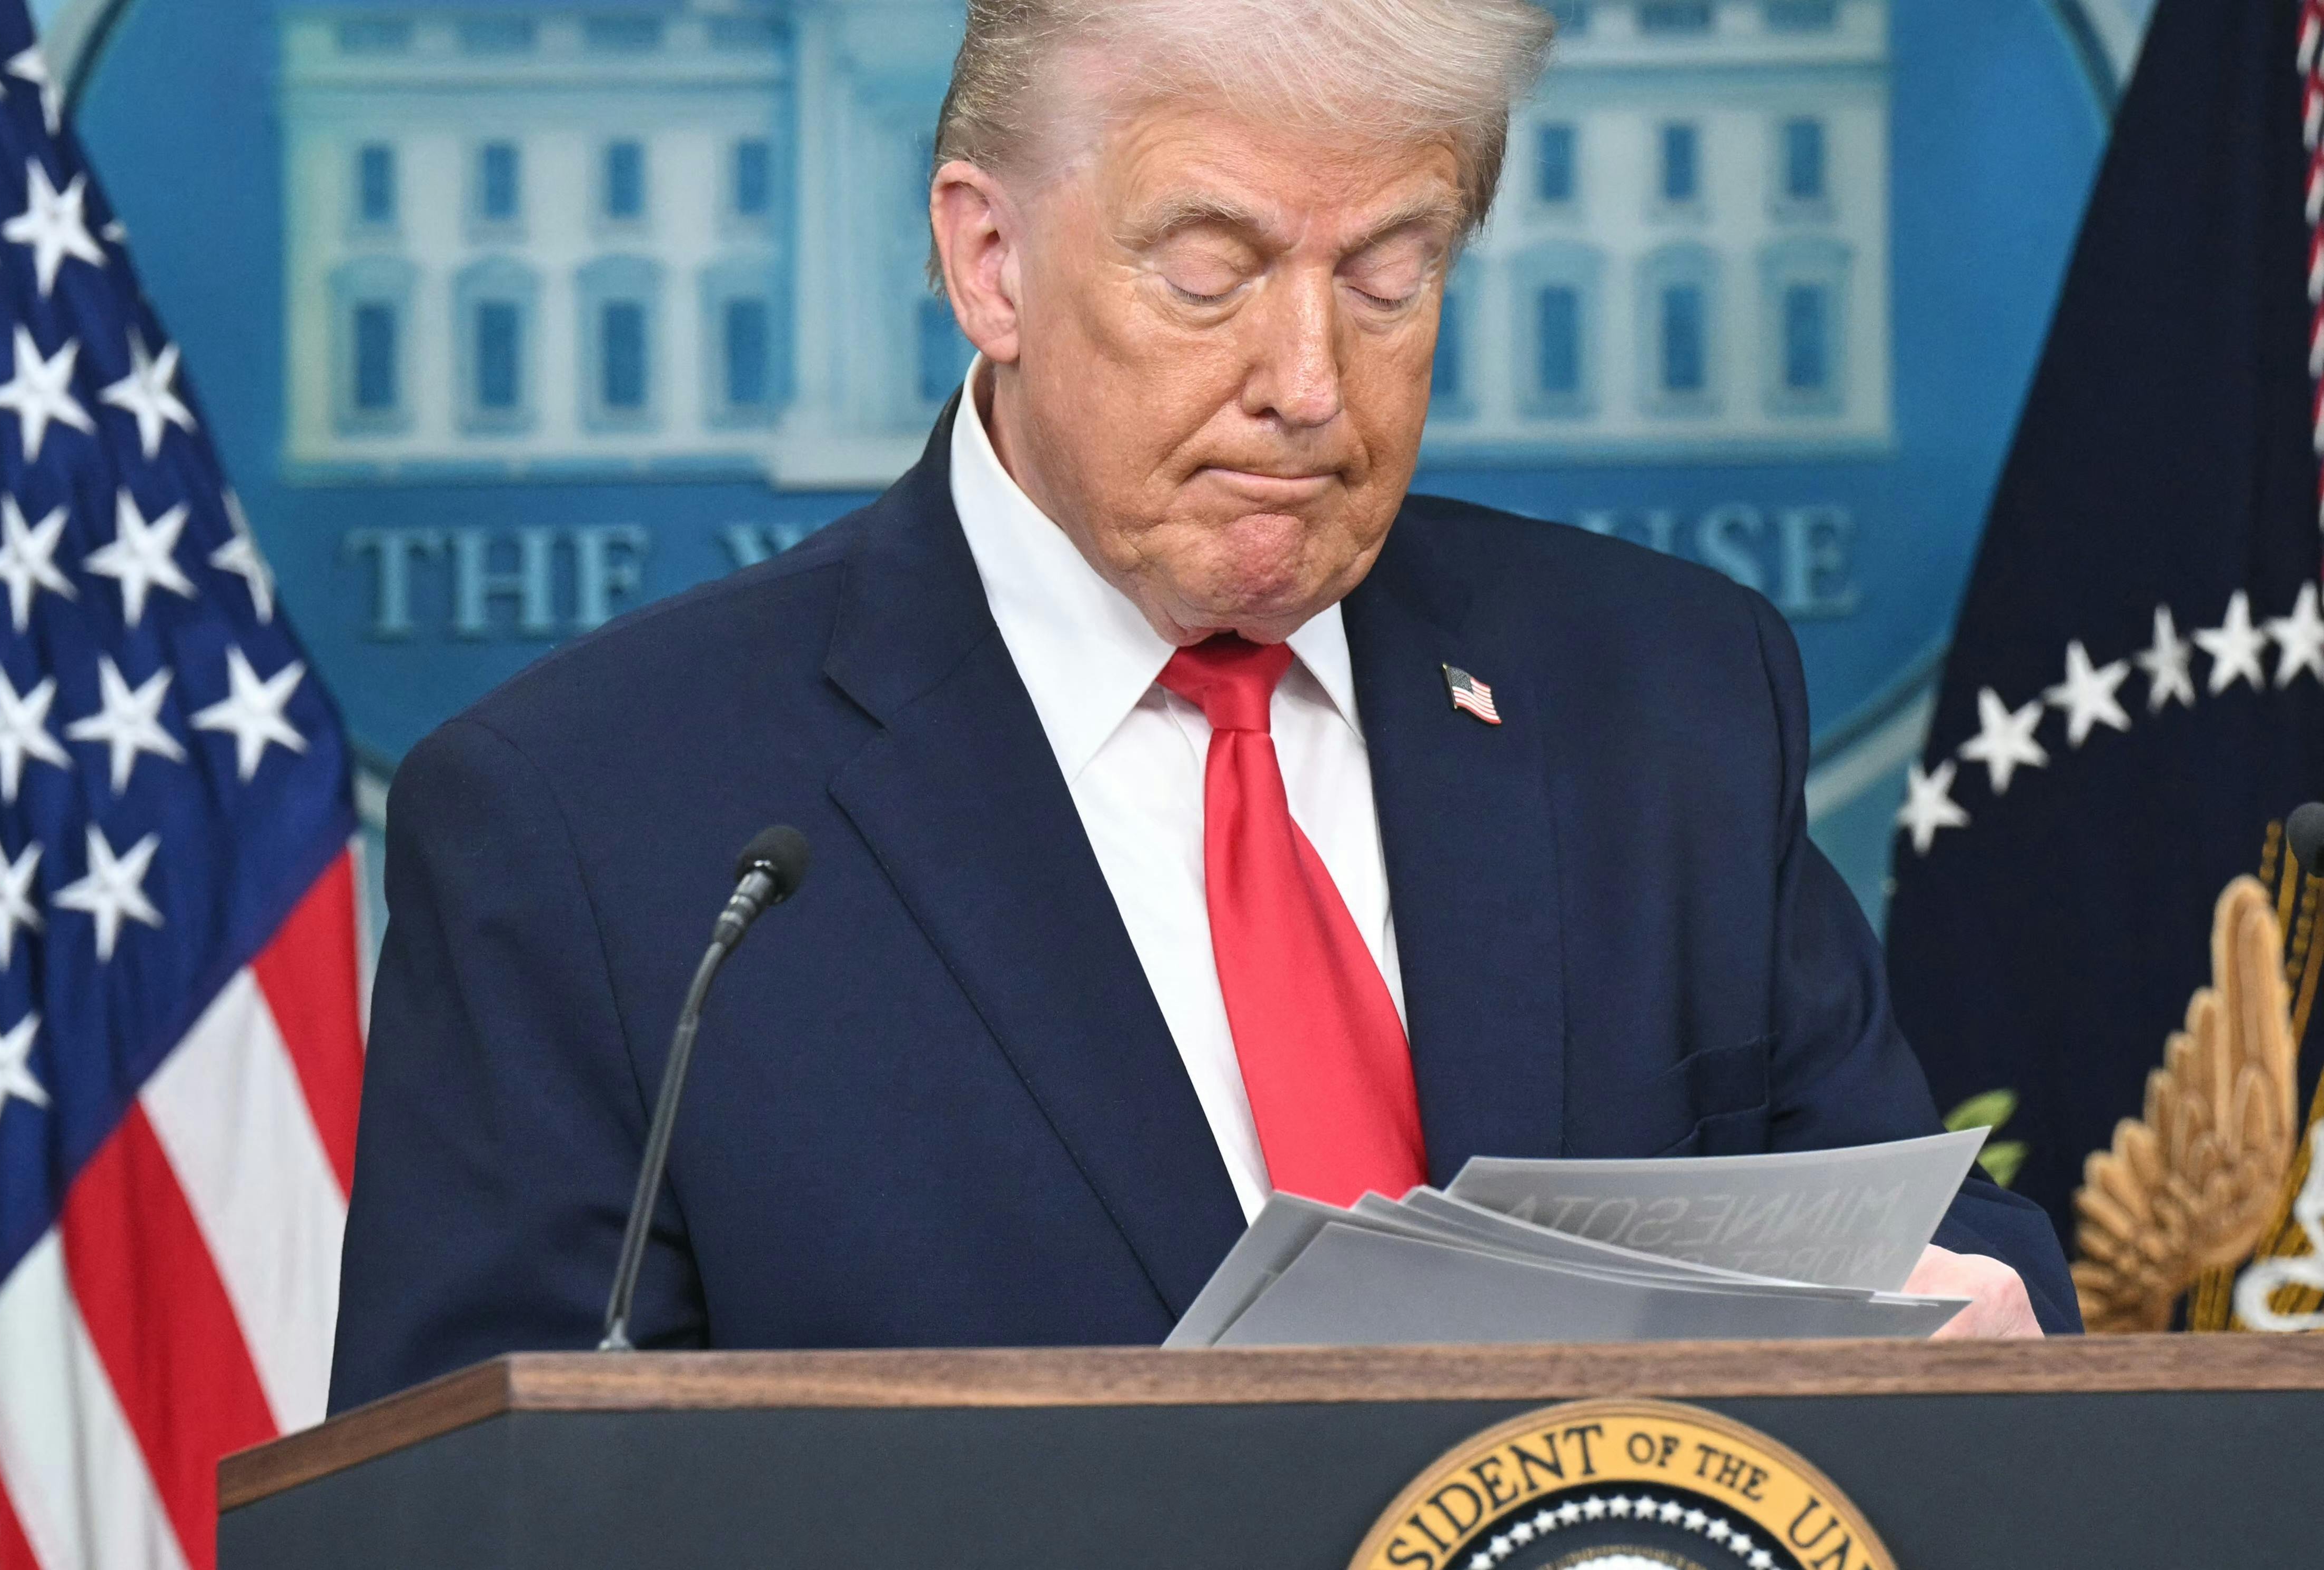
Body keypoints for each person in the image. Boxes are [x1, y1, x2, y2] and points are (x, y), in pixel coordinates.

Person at [328, 0, 2076, 1412]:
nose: (1310, 384)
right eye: (1211, 271)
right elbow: (483, 1505)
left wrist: (1975, 1316)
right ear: (990, 261)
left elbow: (1936, 1234)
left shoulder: (1666, 697)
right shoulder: (595, 824)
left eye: (1390, 274)